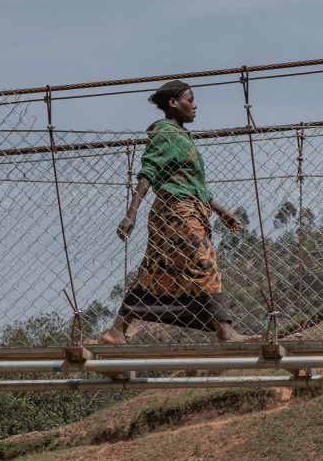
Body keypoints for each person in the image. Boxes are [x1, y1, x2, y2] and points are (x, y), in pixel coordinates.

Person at [99, 80, 258, 344]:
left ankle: (116, 331)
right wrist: (131, 212)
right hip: (177, 212)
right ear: (173, 103)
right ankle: (225, 331)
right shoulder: (166, 134)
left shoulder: (181, 137)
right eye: (190, 99)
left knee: (156, 271)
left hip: (182, 210)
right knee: (204, 264)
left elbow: (196, 186)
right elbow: (148, 172)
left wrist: (222, 212)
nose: (195, 106)